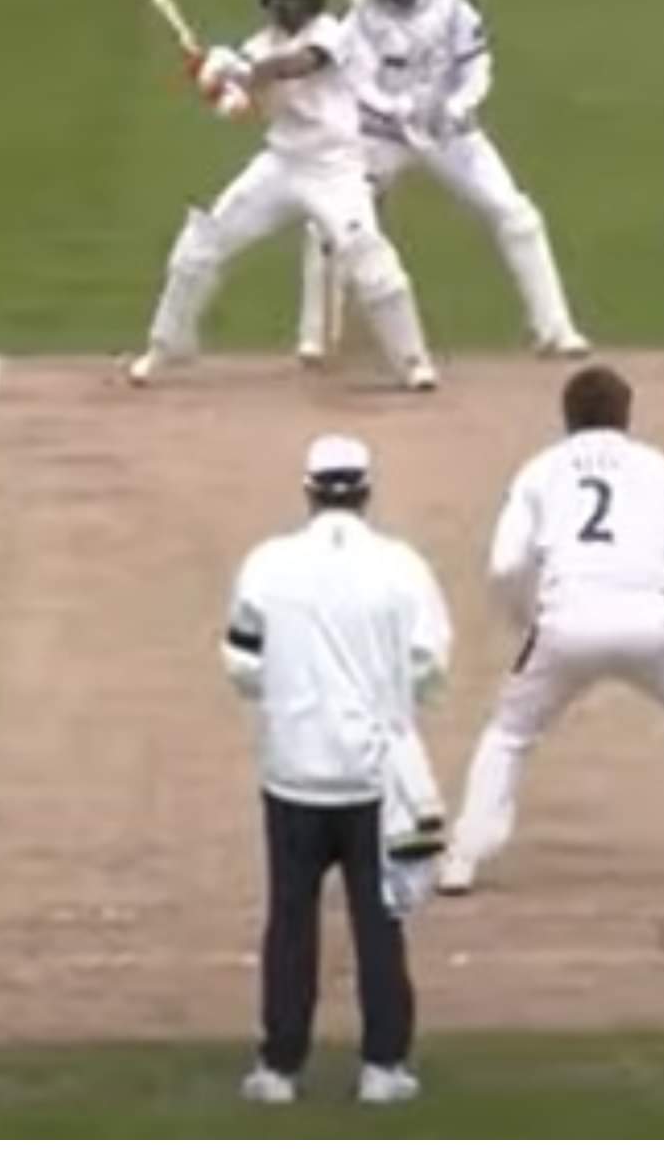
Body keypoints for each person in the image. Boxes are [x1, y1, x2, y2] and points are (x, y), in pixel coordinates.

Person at [437, 364, 664, 896]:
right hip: (656, 624)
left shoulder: (539, 471)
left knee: (508, 736)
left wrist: (526, 621)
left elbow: (504, 567)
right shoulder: (662, 468)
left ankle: (462, 859)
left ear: (566, 418)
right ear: (627, 416)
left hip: (565, 623)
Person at [224, 434, 453, 1106]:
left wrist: (289, 697)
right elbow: (430, 663)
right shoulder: (402, 567)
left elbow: (242, 663)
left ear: (309, 491)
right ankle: (384, 1067)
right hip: (374, 776)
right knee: (380, 920)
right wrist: (395, 704)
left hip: (292, 771)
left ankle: (279, 1069)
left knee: (290, 919)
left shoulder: (268, 564)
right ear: (366, 492)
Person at [127, 0, 440, 391]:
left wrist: (239, 70)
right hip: (281, 164)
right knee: (202, 241)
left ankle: (413, 361)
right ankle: (167, 345)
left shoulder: (332, 33)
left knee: (368, 256)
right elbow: (242, 106)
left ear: (311, 0)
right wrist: (215, 87)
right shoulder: (258, 44)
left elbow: (296, 66)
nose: (282, 7)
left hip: (335, 169)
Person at [295, 0, 590, 365]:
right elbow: (358, 80)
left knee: (517, 215)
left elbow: (477, 66)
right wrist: (397, 110)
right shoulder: (360, 16)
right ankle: (317, 337)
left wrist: (456, 107)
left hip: (451, 133)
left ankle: (555, 329)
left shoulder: (452, 4)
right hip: (381, 136)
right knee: (329, 223)